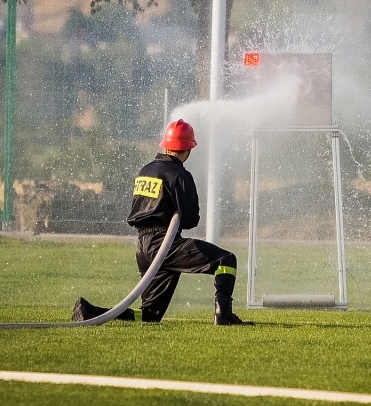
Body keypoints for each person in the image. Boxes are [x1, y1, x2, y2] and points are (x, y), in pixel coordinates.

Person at [72, 119, 252, 326]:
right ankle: (224, 316)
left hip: (143, 247)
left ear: (165, 145)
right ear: (188, 149)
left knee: (150, 314)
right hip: (165, 245)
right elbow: (190, 219)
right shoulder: (180, 175)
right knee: (226, 261)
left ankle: (91, 312)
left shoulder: (145, 170)